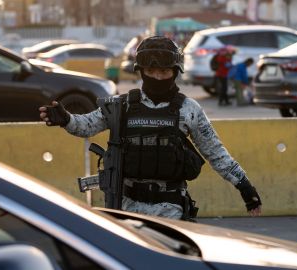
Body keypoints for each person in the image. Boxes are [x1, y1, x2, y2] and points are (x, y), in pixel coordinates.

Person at [39, 36, 261, 220]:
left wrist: (245, 187)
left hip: (170, 208)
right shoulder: (121, 105)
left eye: (164, 72)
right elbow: (86, 126)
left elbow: (217, 154)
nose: (158, 77)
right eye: (151, 71)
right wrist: (65, 119)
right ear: (141, 71)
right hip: (125, 207)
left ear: (176, 71)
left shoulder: (188, 109)